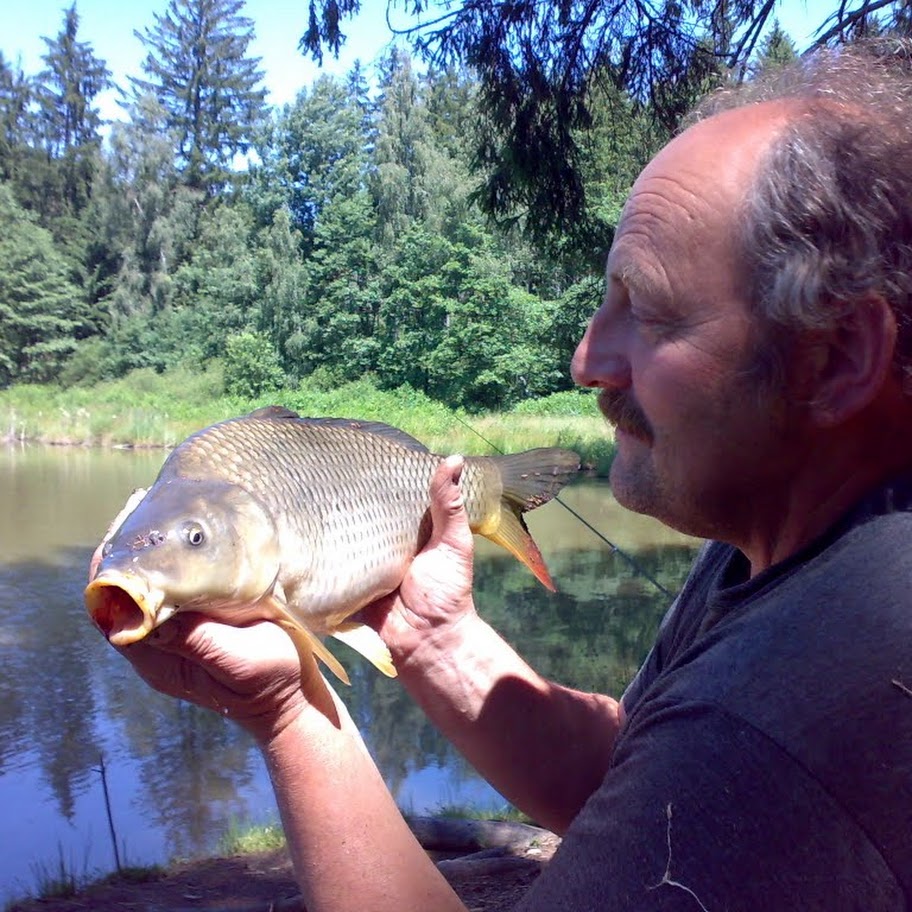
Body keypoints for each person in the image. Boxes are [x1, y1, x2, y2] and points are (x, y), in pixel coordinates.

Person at [116, 40, 912, 910]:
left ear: (835, 357)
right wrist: (435, 637)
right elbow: (633, 781)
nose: (586, 360)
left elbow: (714, 768)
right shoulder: (783, 547)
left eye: (645, 312)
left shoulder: (785, 718)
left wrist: (289, 714)